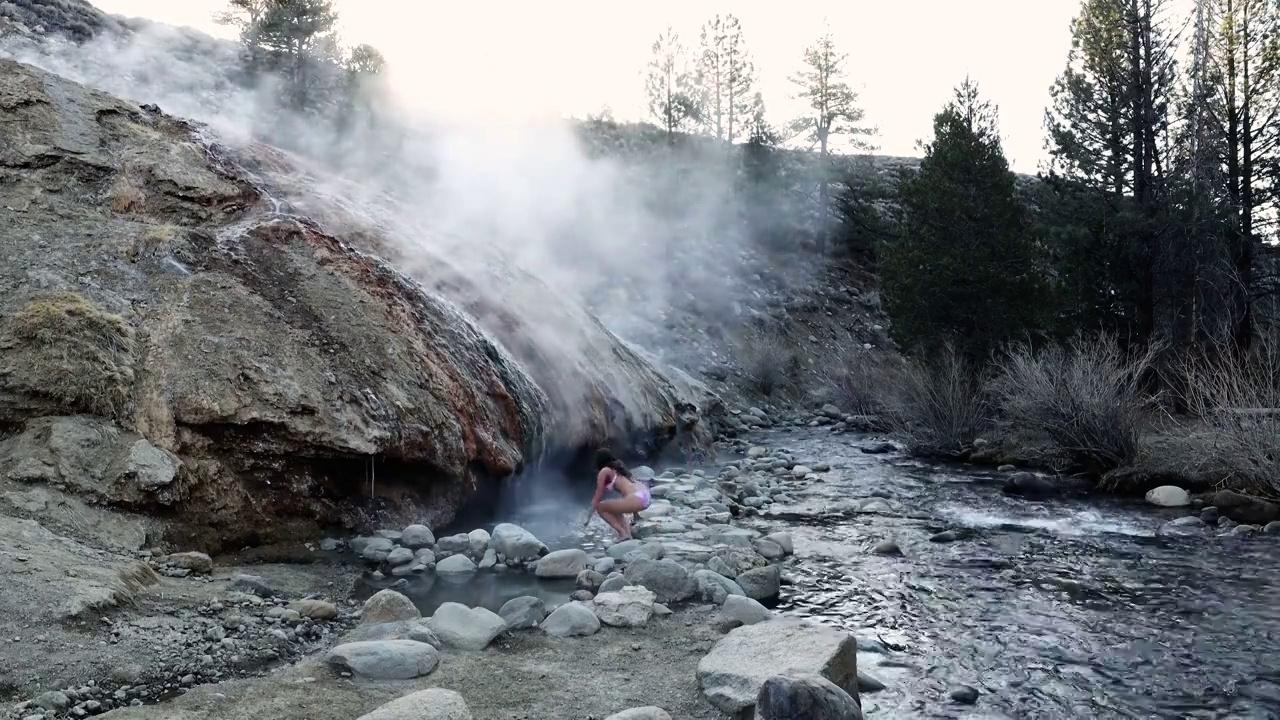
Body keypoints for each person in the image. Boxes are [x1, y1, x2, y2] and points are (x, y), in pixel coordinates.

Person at [585, 448, 650, 540]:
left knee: (600, 507)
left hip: (637, 499)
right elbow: (628, 489)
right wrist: (636, 515)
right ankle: (628, 534)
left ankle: (622, 533)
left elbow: (597, 496)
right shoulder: (619, 469)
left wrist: (588, 516)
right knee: (615, 508)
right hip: (645, 496)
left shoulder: (604, 471)